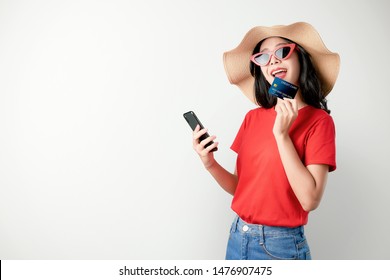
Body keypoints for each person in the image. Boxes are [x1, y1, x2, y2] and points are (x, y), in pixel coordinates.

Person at [191, 22, 340, 260]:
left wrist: (282, 136)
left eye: (282, 52)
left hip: (280, 248)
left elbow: (310, 199)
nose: (272, 61)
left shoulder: (318, 121)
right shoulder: (253, 117)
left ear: (301, 58)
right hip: (237, 237)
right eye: (262, 57)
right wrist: (209, 163)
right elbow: (241, 188)